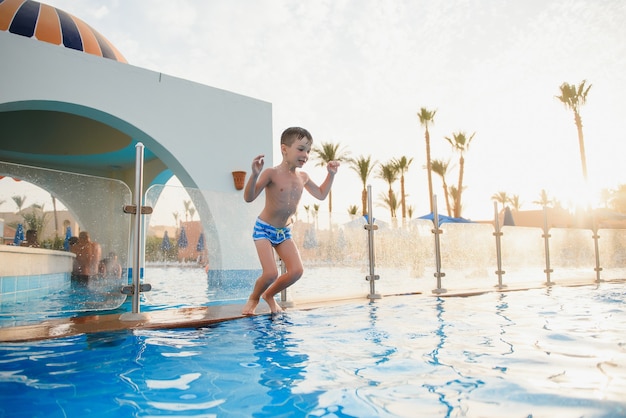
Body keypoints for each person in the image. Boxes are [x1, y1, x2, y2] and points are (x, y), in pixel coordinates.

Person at [241, 127, 340, 315]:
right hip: (264, 229)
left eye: (308, 151)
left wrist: (331, 175)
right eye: (301, 149)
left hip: (284, 232)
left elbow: (320, 194)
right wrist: (254, 174)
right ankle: (253, 298)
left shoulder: (303, 177)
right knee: (270, 273)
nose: (306, 155)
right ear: (284, 149)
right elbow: (249, 197)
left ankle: (268, 295)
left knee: (296, 271)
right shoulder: (271, 173)